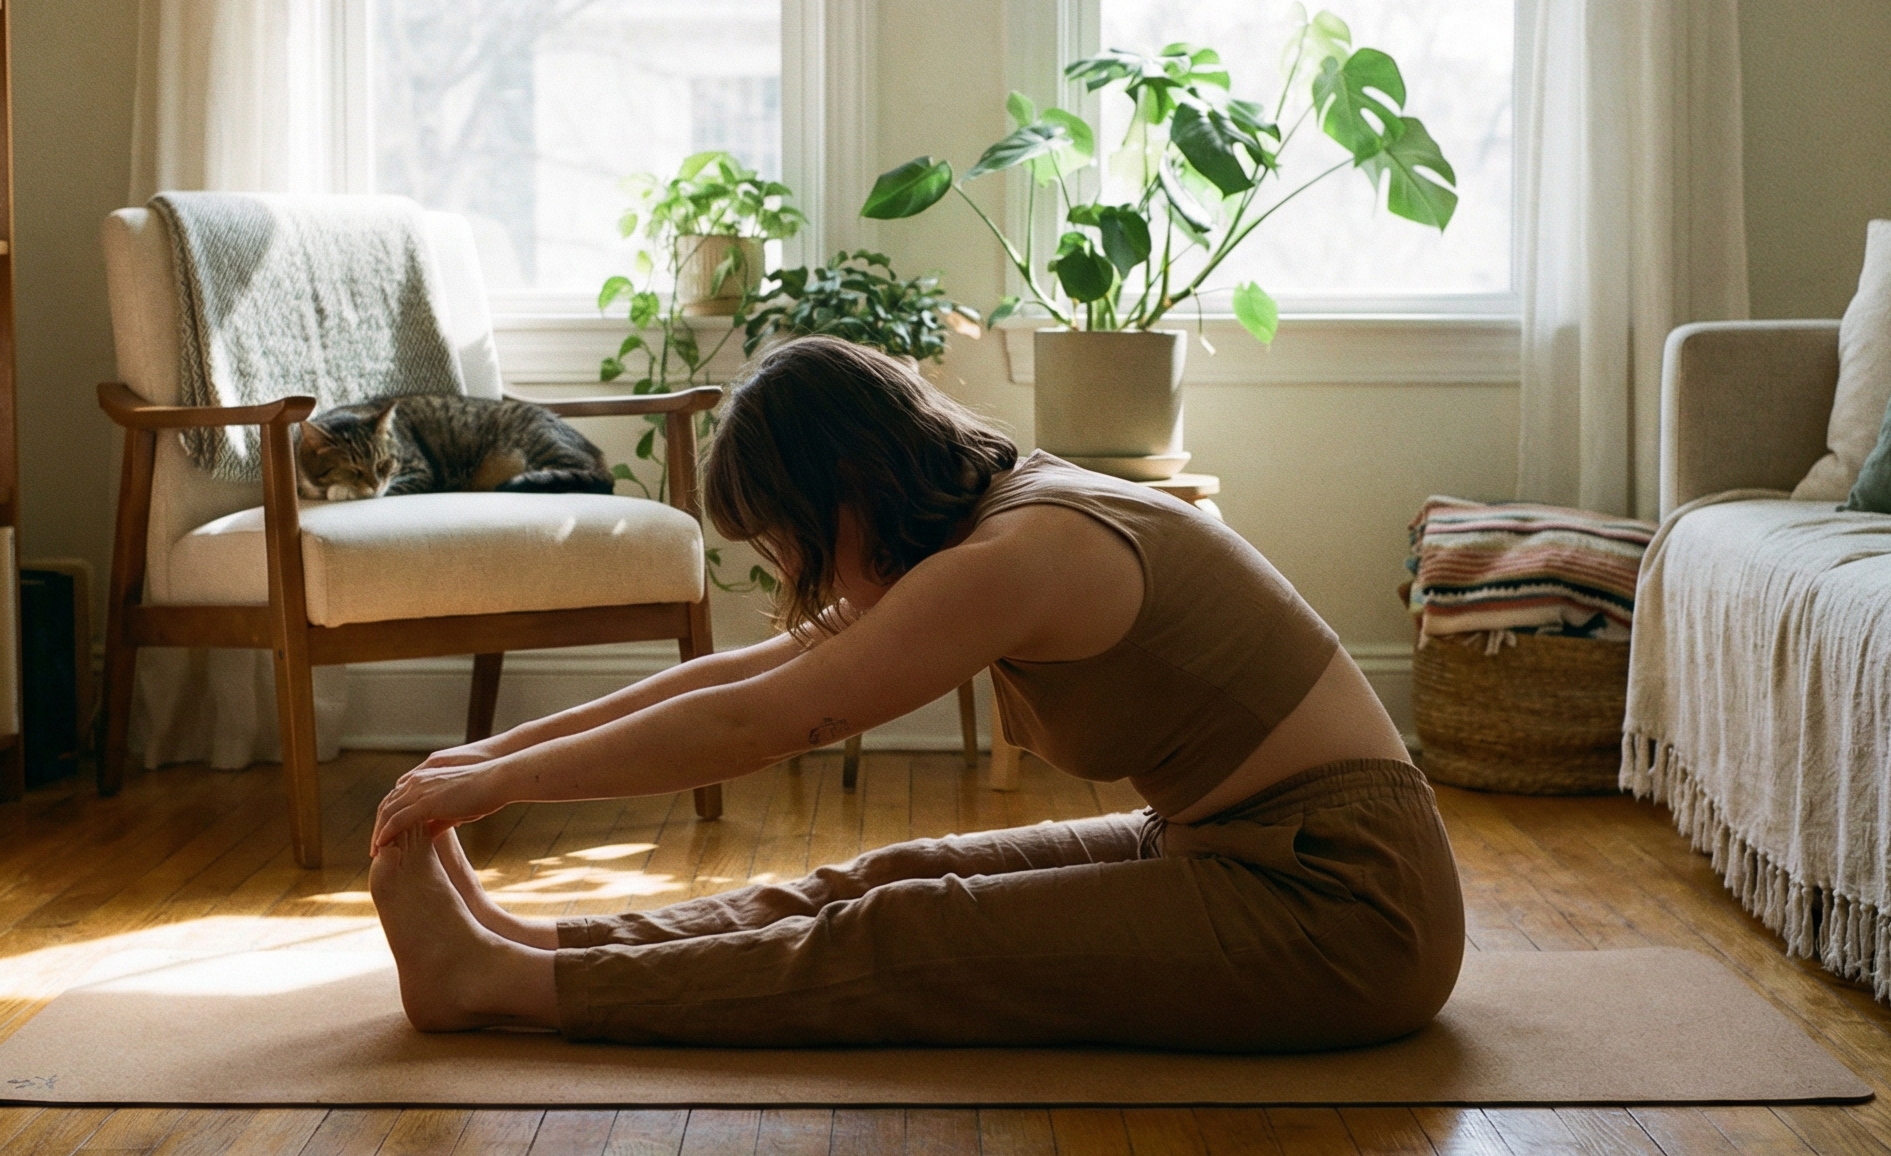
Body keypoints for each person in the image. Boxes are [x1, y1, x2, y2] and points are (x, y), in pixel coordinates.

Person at [368, 336, 1464, 1050]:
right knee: (892, 871)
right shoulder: (994, 516)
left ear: (850, 487)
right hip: (1225, 845)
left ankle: (499, 986)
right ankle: (538, 950)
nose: (798, 573)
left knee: (902, 934)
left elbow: (761, 722)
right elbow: (751, 672)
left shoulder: (1013, 559)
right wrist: (486, 764)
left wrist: (502, 778)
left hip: (1344, 901)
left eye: (793, 539)